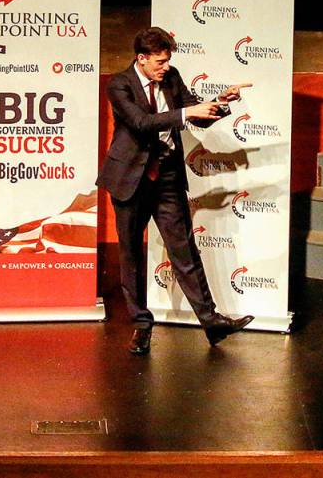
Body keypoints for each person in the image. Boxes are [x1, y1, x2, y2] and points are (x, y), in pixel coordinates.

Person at [96, 27, 255, 355]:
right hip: (130, 178)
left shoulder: (172, 77)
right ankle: (141, 325)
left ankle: (211, 322)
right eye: (160, 61)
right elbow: (141, 122)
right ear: (141, 59)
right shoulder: (120, 84)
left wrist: (220, 103)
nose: (165, 66)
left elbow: (198, 115)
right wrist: (186, 113)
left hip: (167, 175)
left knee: (184, 249)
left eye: (168, 60)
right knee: (131, 254)